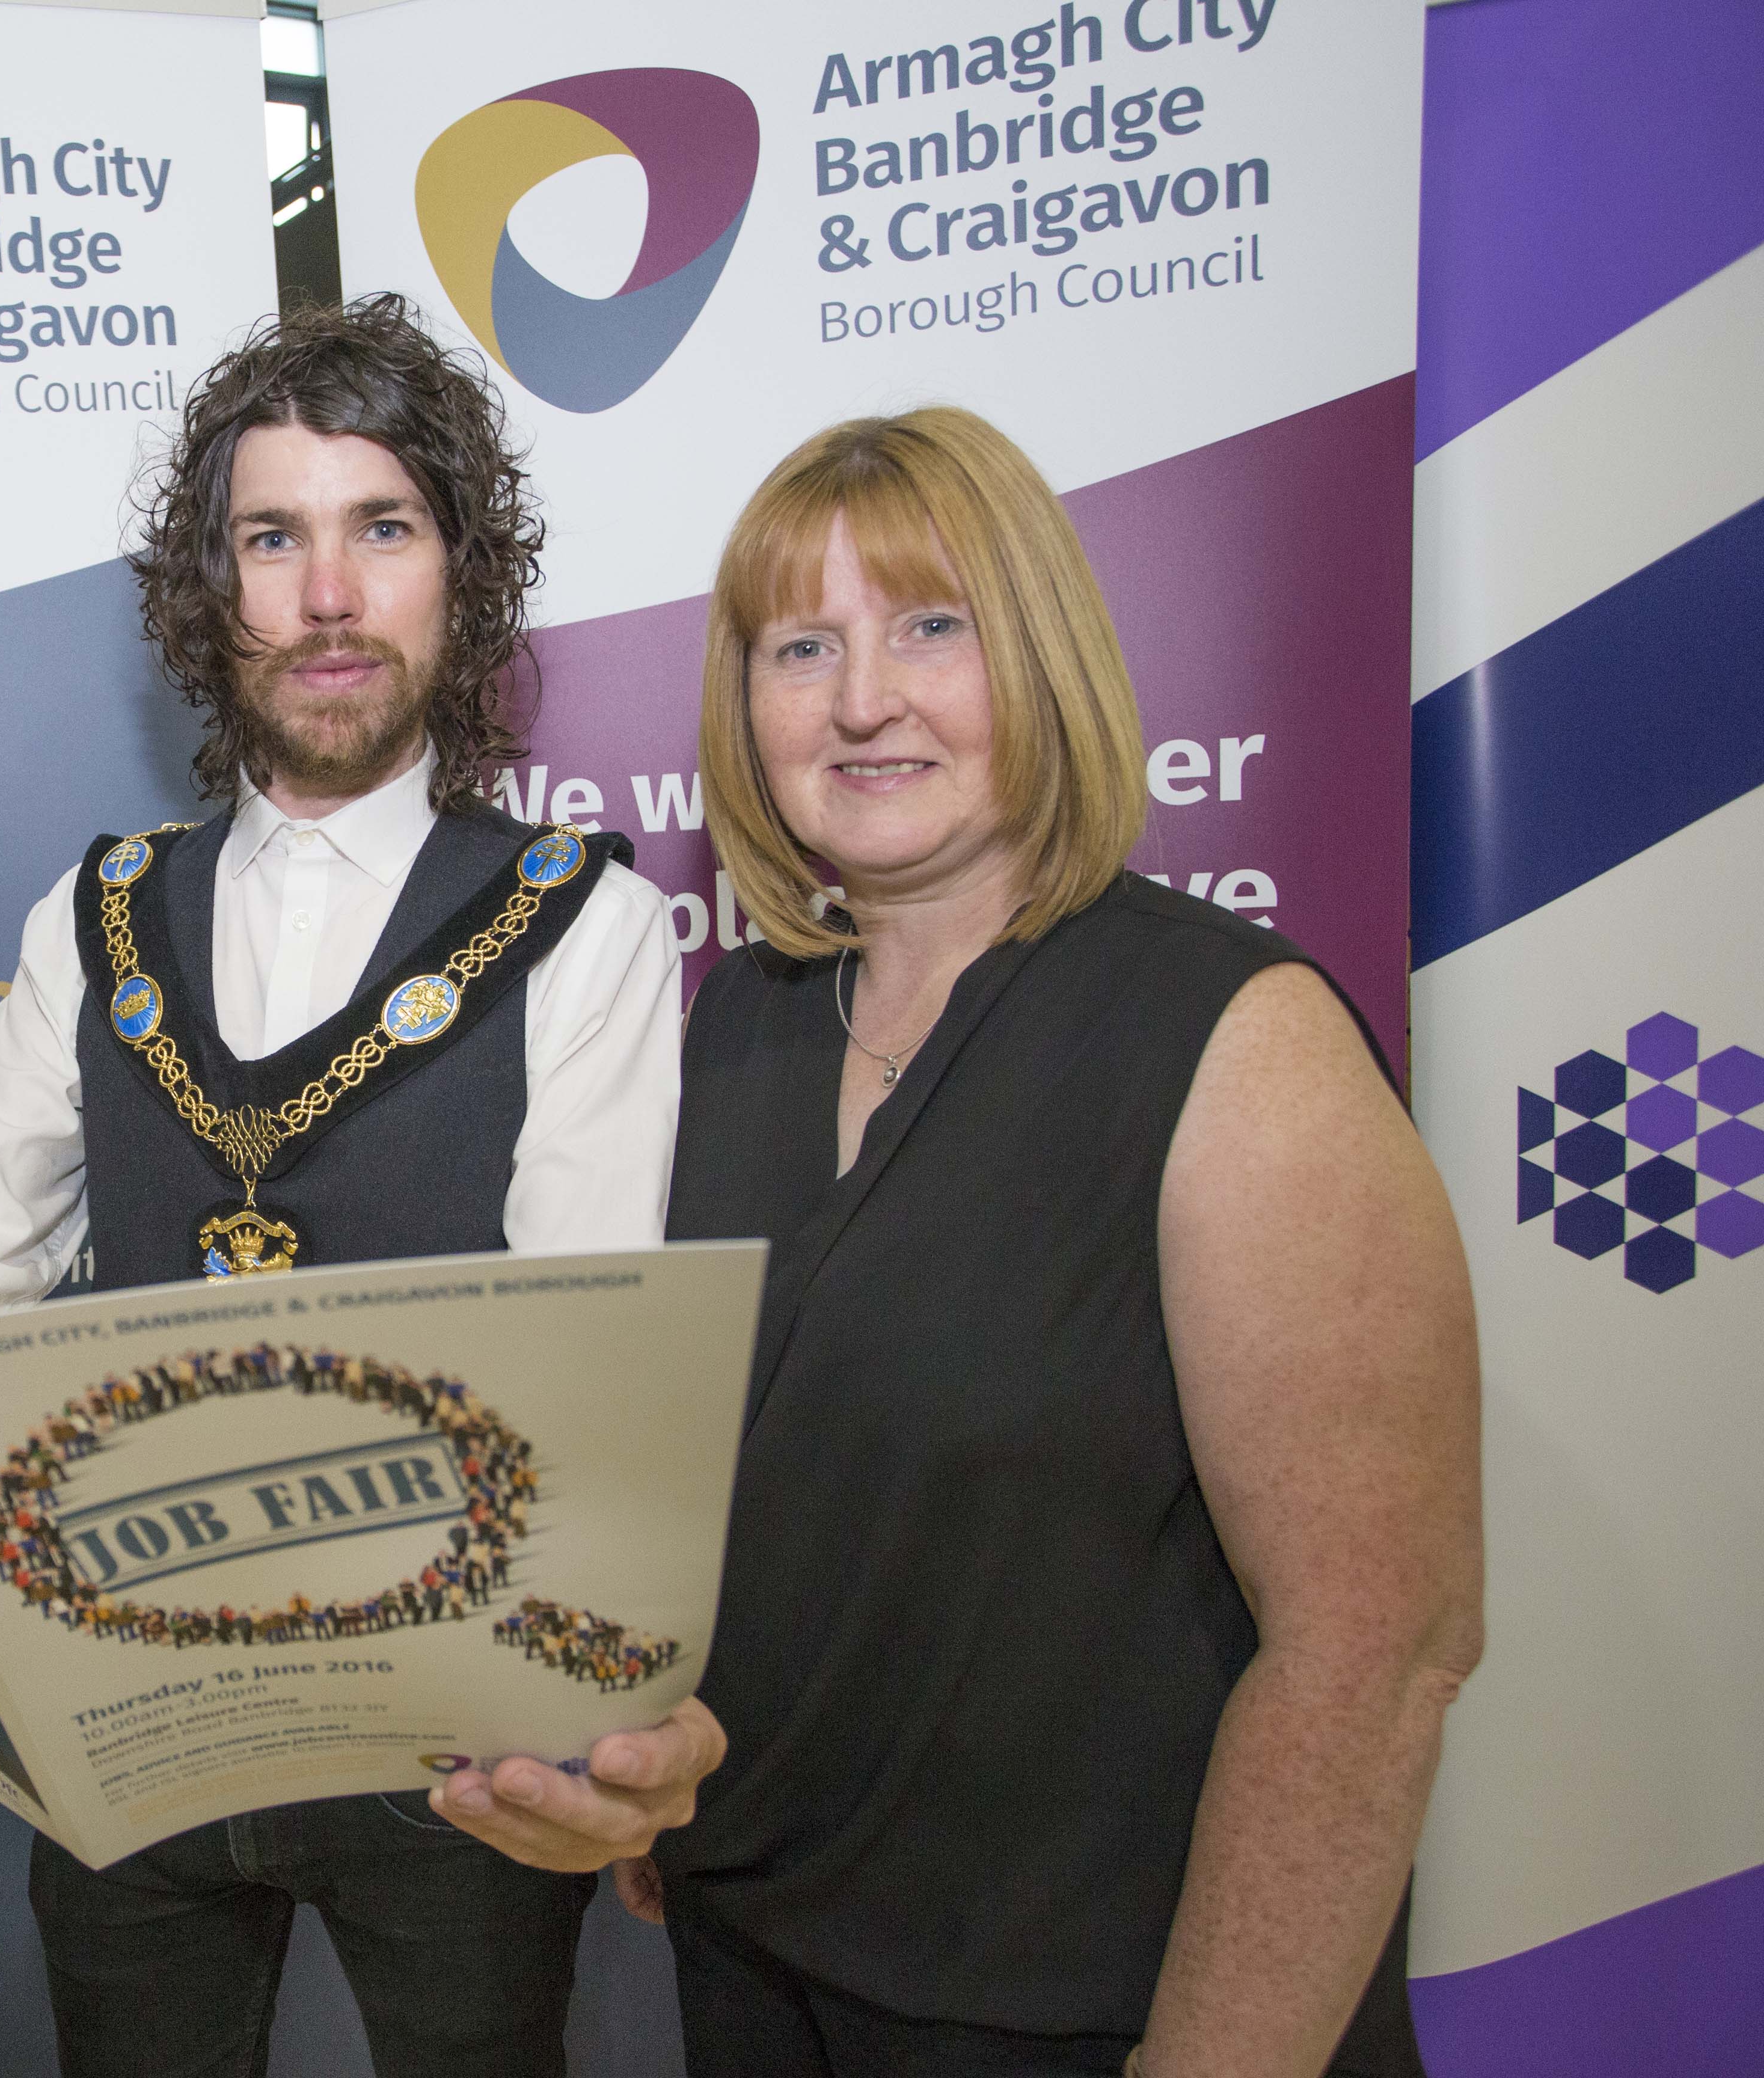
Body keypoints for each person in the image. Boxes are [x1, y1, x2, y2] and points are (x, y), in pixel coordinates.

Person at [0, 293, 711, 2074]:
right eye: (271, 538)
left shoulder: (584, 925)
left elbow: (580, 1379)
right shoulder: (104, 913)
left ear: (461, 572)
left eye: (384, 528)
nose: (331, 594)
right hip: (135, 1719)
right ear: (213, 594)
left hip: (457, 1749)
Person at [651, 406, 1483, 2076]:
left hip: (1106, 2018)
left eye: (931, 627)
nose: (863, 697)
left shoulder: (1234, 1041)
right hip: (752, 1971)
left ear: (1038, 656)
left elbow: (1377, 1653)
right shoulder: (729, 1031)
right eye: (802, 645)